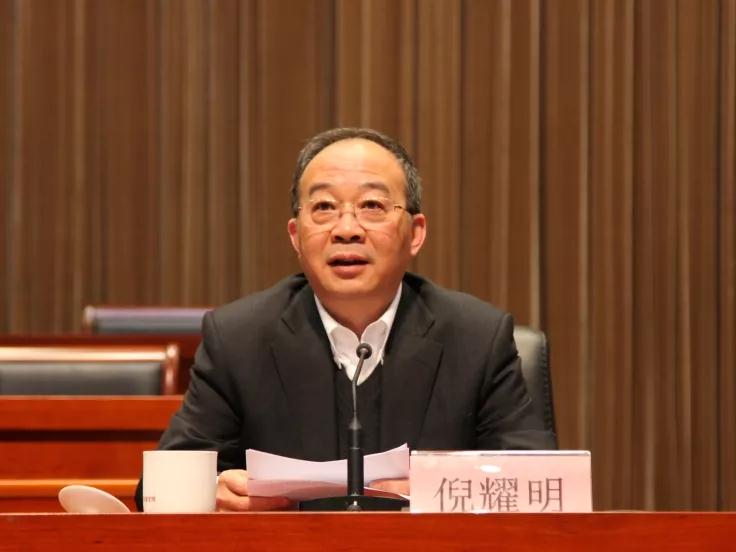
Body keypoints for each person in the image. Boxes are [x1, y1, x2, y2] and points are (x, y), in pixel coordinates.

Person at [135, 127, 556, 512]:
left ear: (416, 233)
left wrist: (431, 488)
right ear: (296, 236)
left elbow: (541, 483)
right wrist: (213, 490)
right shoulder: (239, 338)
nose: (347, 229)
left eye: (372, 205)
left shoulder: (477, 337)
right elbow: (158, 486)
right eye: (324, 207)